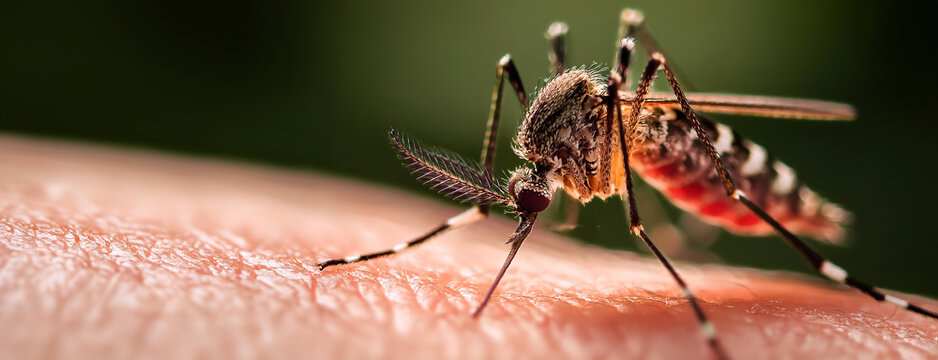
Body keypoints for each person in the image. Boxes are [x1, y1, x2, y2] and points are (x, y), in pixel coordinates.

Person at [1, 134, 935, 359]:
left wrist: (666, 229)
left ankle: (846, 279)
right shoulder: (543, 156)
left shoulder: (583, 151)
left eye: (519, 200)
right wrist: (443, 227)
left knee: (629, 74)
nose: (527, 207)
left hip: (683, 151)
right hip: (623, 141)